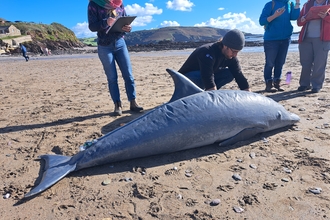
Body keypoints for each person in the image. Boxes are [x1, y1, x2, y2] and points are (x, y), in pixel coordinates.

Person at [88, 0, 143, 116]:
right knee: (112, 78)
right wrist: (105, 22)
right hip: (104, 46)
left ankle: (133, 102)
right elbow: (92, 26)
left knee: (129, 75)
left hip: (120, 43)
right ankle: (117, 105)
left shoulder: (119, 3)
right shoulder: (94, 4)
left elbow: (124, 20)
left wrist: (128, 28)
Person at [178, 29, 251, 92]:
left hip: (204, 77)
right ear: (225, 46)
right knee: (202, 75)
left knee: (229, 73)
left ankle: (207, 93)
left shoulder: (231, 57)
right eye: (234, 51)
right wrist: (212, 94)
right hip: (185, 79)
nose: (235, 55)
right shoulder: (207, 51)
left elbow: (239, 75)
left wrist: (248, 94)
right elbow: (207, 76)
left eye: (238, 52)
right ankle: (204, 94)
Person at [259, 0, 300, 92]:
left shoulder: (290, 4)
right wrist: (275, 15)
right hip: (271, 39)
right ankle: (268, 84)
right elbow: (262, 21)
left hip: (286, 39)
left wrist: (297, 2)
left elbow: (294, 17)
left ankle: (277, 83)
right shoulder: (271, 4)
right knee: (270, 63)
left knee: (280, 63)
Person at [297, 0, 330, 93]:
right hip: (306, 38)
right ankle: (304, 84)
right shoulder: (307, 4)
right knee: (305, 63)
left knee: (319, 63)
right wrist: (303, 19)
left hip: (323, 39)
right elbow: (299, 22)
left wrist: (327, 17)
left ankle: (316, 85)